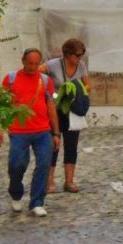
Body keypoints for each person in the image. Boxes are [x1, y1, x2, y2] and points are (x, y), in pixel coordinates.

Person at [0, 48, 61, 217]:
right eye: (30, 63)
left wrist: (56, 133)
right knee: (16, 165)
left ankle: (37, 201)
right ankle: (16, 193)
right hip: (18, 131)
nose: (33, 67)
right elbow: (1, 105)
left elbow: (51, 106)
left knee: (44, 164)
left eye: (36, 64)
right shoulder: (11, 80)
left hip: (42, 130)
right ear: (23, 61)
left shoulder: (45, 81)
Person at [41, 38, 91, 194]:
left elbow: (88, 85)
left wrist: (75, 88)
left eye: (81, 55)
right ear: (67, 54)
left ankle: (69, 181)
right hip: (55, 110)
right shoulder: (52, 65)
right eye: (77, 55)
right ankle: (49, 182)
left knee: (71, 146)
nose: (79, 58)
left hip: (72, 110)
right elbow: (35, 73)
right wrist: (51, 92)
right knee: (53, 146)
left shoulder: (81, 66)